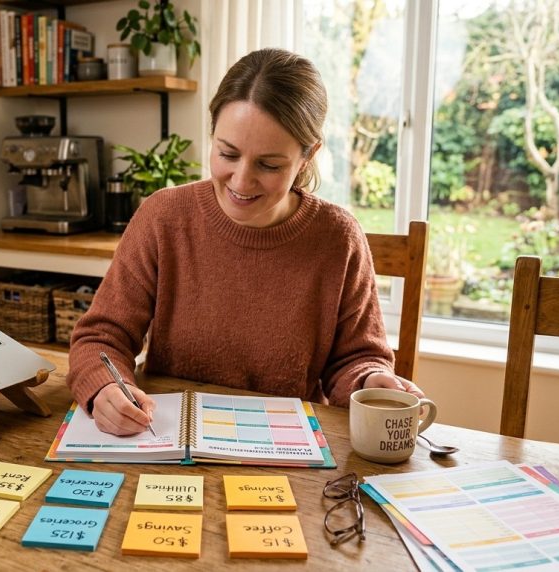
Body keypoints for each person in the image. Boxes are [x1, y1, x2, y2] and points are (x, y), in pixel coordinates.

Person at [67, 48, 425, 436]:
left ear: (308, 156)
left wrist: (371, 381)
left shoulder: (338, 237)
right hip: (168, 440)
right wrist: (105, 387)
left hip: (286, 449)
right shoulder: (163, 217)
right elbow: (101, 337)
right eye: (227, 153)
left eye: (269, 165)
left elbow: (356, 359)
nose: (240, 181)